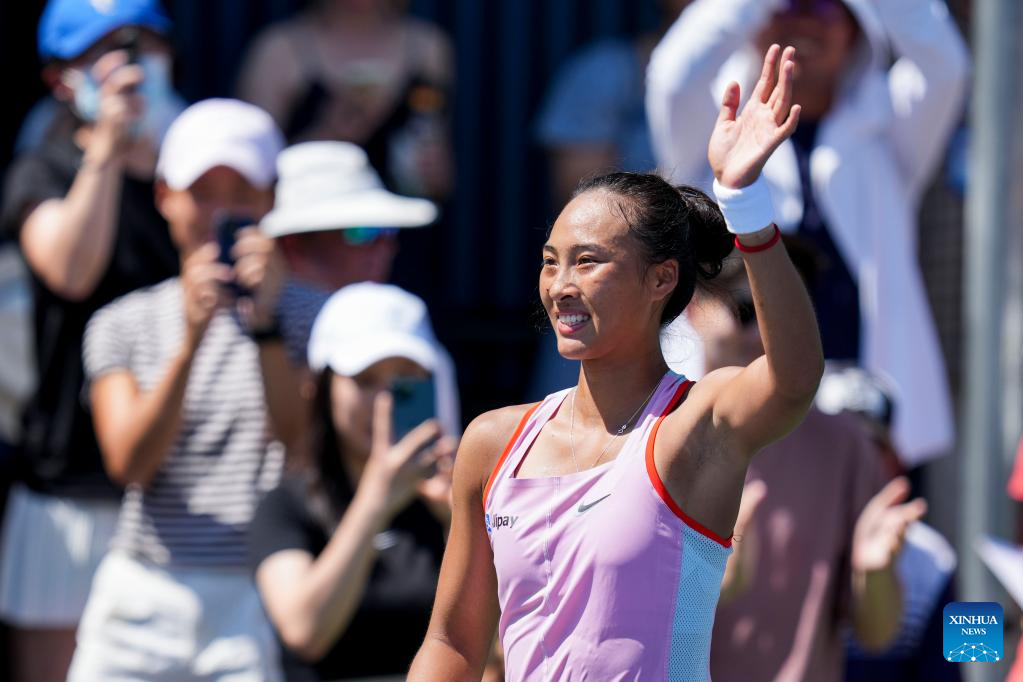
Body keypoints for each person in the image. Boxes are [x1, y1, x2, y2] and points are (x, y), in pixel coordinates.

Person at [409, 44, 823, 680]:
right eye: (550, 262)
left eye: (588, 261)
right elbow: (454, 643)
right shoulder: (492, 442)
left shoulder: (695, 423)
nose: (560, 285)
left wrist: (743, 203)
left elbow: (793, 380)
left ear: (662, 279)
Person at [646, 0, 970, 466]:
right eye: (784, 4)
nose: (802, 18)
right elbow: (674, 74)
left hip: (865, 420)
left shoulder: (887, 129)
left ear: (858, 31)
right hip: (730, 414)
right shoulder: (714, 125)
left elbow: (944, 65)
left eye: (826, 6)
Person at [66, 99, 297, 680]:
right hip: (143, 591)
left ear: (272, 198)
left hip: (263, 589)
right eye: (201, 192)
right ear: (164, 196)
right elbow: (130, 463)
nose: (220, 212)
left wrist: (267, 327)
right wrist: (189, 343)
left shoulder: (311, 317)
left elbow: (301, 451)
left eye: (241, 192)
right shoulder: (120, 322)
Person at [0, 2, 179, 680]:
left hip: (176, 490)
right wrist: (106, 144)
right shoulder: (42, 170)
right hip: (68, 488)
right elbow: (70, 272)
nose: (130, 66)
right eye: (104, 53)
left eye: (144, 45)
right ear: (61, 80)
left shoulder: (189, 178)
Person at [686, 260, 928, 680]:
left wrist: (873, 575)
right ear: (692, 307)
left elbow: (882, 636)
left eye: (783, 308)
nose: (765, 332)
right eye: (747, 309)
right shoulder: (656, 435)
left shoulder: (844, 447)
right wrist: (707, 586)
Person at [249, 282, 459, 681]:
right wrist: (376, 499)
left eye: (405, 381)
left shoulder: (453, 500)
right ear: (321, 387)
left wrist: (458, 521)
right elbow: (305, 632)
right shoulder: (286, 505)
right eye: (364, 380)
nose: (384, 400)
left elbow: (502, 646)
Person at [260, 140, 460, 438]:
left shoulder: (406, 325)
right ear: (295, 244)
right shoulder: (246, 324)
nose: (385, 246)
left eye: (388, 229)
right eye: (361, 232)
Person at [237, 0, 454, 199]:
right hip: (312, 221)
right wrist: (332, 132)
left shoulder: (428, 49)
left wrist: (436, 172)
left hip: (405, 221)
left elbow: (440, 161)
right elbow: (253, 176)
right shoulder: (279, 50)